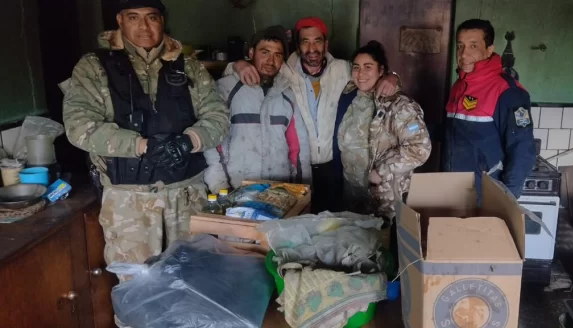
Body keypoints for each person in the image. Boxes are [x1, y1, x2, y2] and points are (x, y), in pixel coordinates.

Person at [62, 0, 229, 273]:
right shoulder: (94, 66)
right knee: (137, 289)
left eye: (151, 17)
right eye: (133, 17)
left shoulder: (188, 66)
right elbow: (79, 127)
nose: (144, 26)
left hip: (186, 196)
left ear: (162, 20)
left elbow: (218, 117)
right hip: (130, 201)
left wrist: (190, 141)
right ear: (120, 19)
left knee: (192, 283)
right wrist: (141, 145)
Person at [228, 17, 400, 213]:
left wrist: (393, 77)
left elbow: (371, 75)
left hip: (333, 165)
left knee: (334, 220)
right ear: (298, 46)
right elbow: (240, 72)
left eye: (317, 41)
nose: (312, 48)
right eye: (305, 41)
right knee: (299, 218)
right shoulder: (282, 69)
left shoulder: (343, 69)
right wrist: (239, 64)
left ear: (326, 44)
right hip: (299, 166)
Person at [204, 26, 311, 194]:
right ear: (251, 53)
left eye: (278, 55)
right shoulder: (225, 89)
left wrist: (301, 190)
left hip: (279, 190)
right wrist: (220, 187)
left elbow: (298, 148)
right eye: (265, 52)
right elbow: (211, 144)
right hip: (235, 188)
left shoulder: (287, 95)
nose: (270, 60)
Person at [335, 41, 431, 220]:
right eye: (356, 67)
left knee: (386, 242)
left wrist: (382, 171)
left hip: (385, 197)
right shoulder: (349, 97)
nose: (361, 73)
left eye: (368, 67)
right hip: (353, 195)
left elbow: (419, 148)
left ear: (381, 71)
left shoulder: (400, 106)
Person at [443, 19, 535, 198]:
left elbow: (522, 150)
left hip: (486, 193)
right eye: (460, 46)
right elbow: (450, 131)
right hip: (453, 187)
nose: (463, 54)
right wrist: (412, 128)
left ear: (489, 50)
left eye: (473, 46)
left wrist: (506, 199)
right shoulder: (460, 85)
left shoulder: (508, 92)